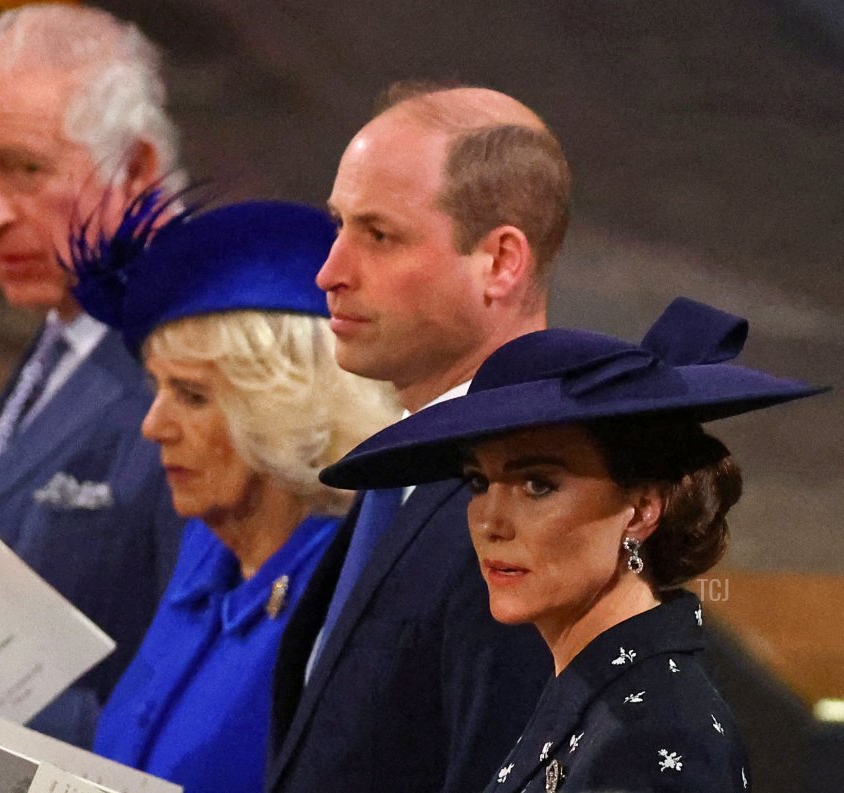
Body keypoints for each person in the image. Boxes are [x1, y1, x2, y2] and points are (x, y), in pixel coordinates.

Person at [320, 297, 825, 792]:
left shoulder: (650, 739)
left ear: (643, 508)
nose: (490, 522)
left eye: (538, 484)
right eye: (478, 482)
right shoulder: (600, 691)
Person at [267, 83, 568, 793]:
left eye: (379, 235)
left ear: (501, 262)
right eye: (338, 225)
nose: (330, 272)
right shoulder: (407, 460)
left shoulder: (530, 503)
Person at [65, 195, 398, 793]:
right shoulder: (207, 550)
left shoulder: (342, 593)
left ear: (285, 410)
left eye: (192, 396)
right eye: (157, 389)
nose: (153, 426)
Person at [0, 4, 185, 746]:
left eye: (25, 169)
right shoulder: (64, 329)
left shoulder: (198, 370)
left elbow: (193, 692)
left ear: (136, 167)